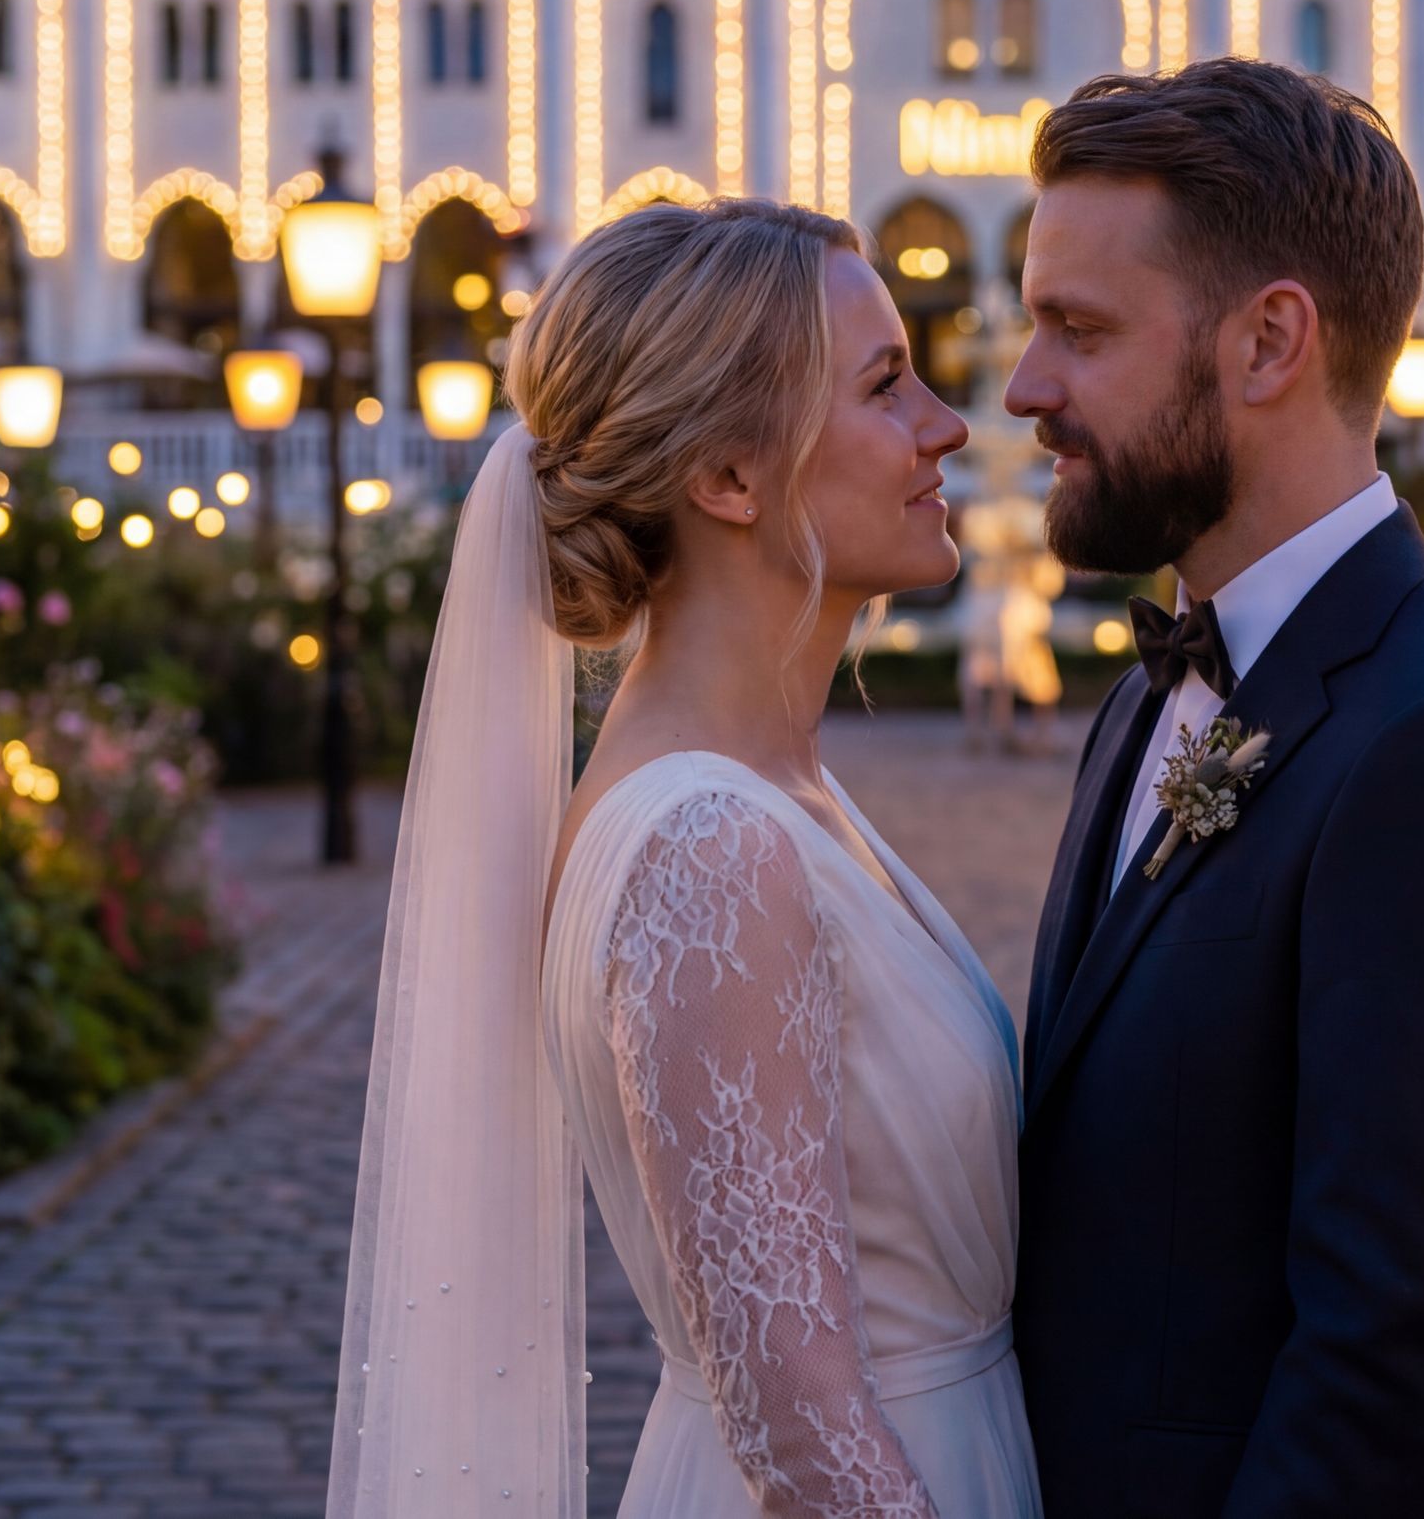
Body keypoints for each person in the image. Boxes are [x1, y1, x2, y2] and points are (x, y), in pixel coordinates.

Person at [329, 199, 1037, 1516]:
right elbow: (800, 1422)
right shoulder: (712, 846)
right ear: (727, 476)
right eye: (888, 384)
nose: (949, 422)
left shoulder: (773, 790)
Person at [1006, 57, 1424, 1519]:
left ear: (1270, 338)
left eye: (1079, 331)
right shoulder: (1152, 693)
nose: (1026, 389)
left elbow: (1388, 1359)